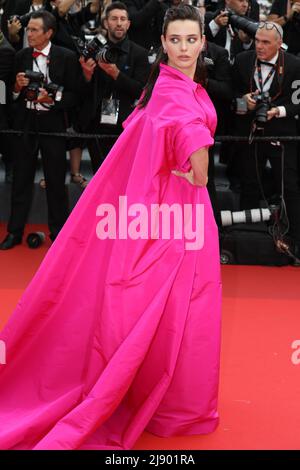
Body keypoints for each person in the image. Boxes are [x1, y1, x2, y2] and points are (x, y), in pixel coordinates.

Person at [0, 4, 221, 449]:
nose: (182, 47)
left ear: (201, 41)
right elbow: (200, 170)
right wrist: (193, 170)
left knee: (166, 311)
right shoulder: (178, 94)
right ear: (162, 42)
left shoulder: (162, 86)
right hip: (177, 219)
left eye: (189, 39)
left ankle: (153, 397)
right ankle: (172, 406)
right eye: (175, 39)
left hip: (153, 212)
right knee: (184, 311)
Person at [0, 10, 79, 250]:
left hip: (52, 125)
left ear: (49, 33)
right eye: (28, 29)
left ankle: (58, 236)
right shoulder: (21, 56)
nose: (29, 33)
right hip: (25, 125)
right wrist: (16, 86)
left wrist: (52, 99)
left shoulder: (66, 57)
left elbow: (77, 95)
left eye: (34, 30)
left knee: (56, 182)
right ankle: (14, 232)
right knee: (20, 181)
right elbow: (12, 96)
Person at [232, 21, 300, 263]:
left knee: (289, 186)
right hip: (250, 131)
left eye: (265, 42)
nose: (259, 46)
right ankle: (244, 237)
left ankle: (295, 242)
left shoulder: (294, 64)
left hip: (282, 134)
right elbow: (231, 97)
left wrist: (278, 110)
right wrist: (244, 103)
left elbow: (297, 102)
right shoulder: (241, 60)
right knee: (249, 182)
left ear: (279, 44)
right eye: (257, 40)